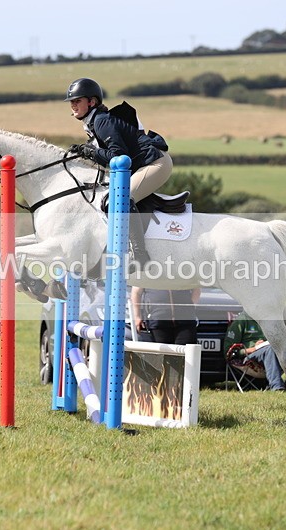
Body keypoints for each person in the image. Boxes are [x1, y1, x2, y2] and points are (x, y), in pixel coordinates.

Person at [64, 77, 173, 269]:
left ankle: (139, 254)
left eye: (77, 101)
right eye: (72, 101)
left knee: (121, 198)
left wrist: (91, 152)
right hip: (141, 164)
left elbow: (119, 155)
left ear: (92, 102)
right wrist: (87, 151)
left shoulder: (101, 121)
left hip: (155, 163)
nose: (73, 105)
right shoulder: (94, 122)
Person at [224, 311, 286, 392]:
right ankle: (277, 387)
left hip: (273, 352)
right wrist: (253, 349)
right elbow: (228, 350)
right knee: (270, 350)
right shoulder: (241, 320)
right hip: (250, 356)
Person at [131, 287, 200, 345]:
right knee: (163, 355)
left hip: (185, 322)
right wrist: (137, 316)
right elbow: (136, 292)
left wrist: (190, 307)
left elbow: (196, 289)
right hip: (158, 321)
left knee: (187, 353)